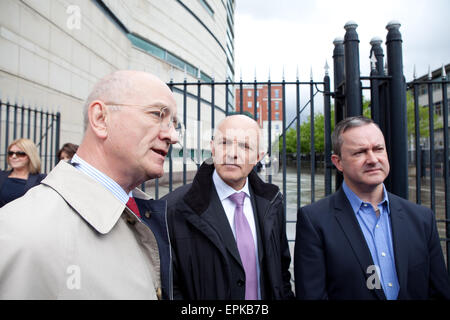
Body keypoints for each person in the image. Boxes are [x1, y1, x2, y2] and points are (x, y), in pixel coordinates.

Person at [0, 70, 181, 299]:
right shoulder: (23, 236)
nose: (173, 136)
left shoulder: (142, 212)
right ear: (100, 118)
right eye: (157, 114)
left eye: (174, 124)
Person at [294, 116, 450, 300]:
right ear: (338, 162)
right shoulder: (314, 221)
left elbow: (439, 293)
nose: (372, 159)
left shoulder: (422, 219)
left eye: (378, 149)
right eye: (360, 152)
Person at [163, 114, 294, 300]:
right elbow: (169, 285)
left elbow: (281, 274)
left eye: (245, 146)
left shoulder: (272, 203)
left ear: (258, 156)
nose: (232, 153)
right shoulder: (173, 209)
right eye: (224, 143)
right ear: (212, 148)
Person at [0, 138, 46, 208]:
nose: (14, 156)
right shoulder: (1, 175)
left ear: (30, 156)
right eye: (11, 153)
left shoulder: (41, 180)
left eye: (20, 154)